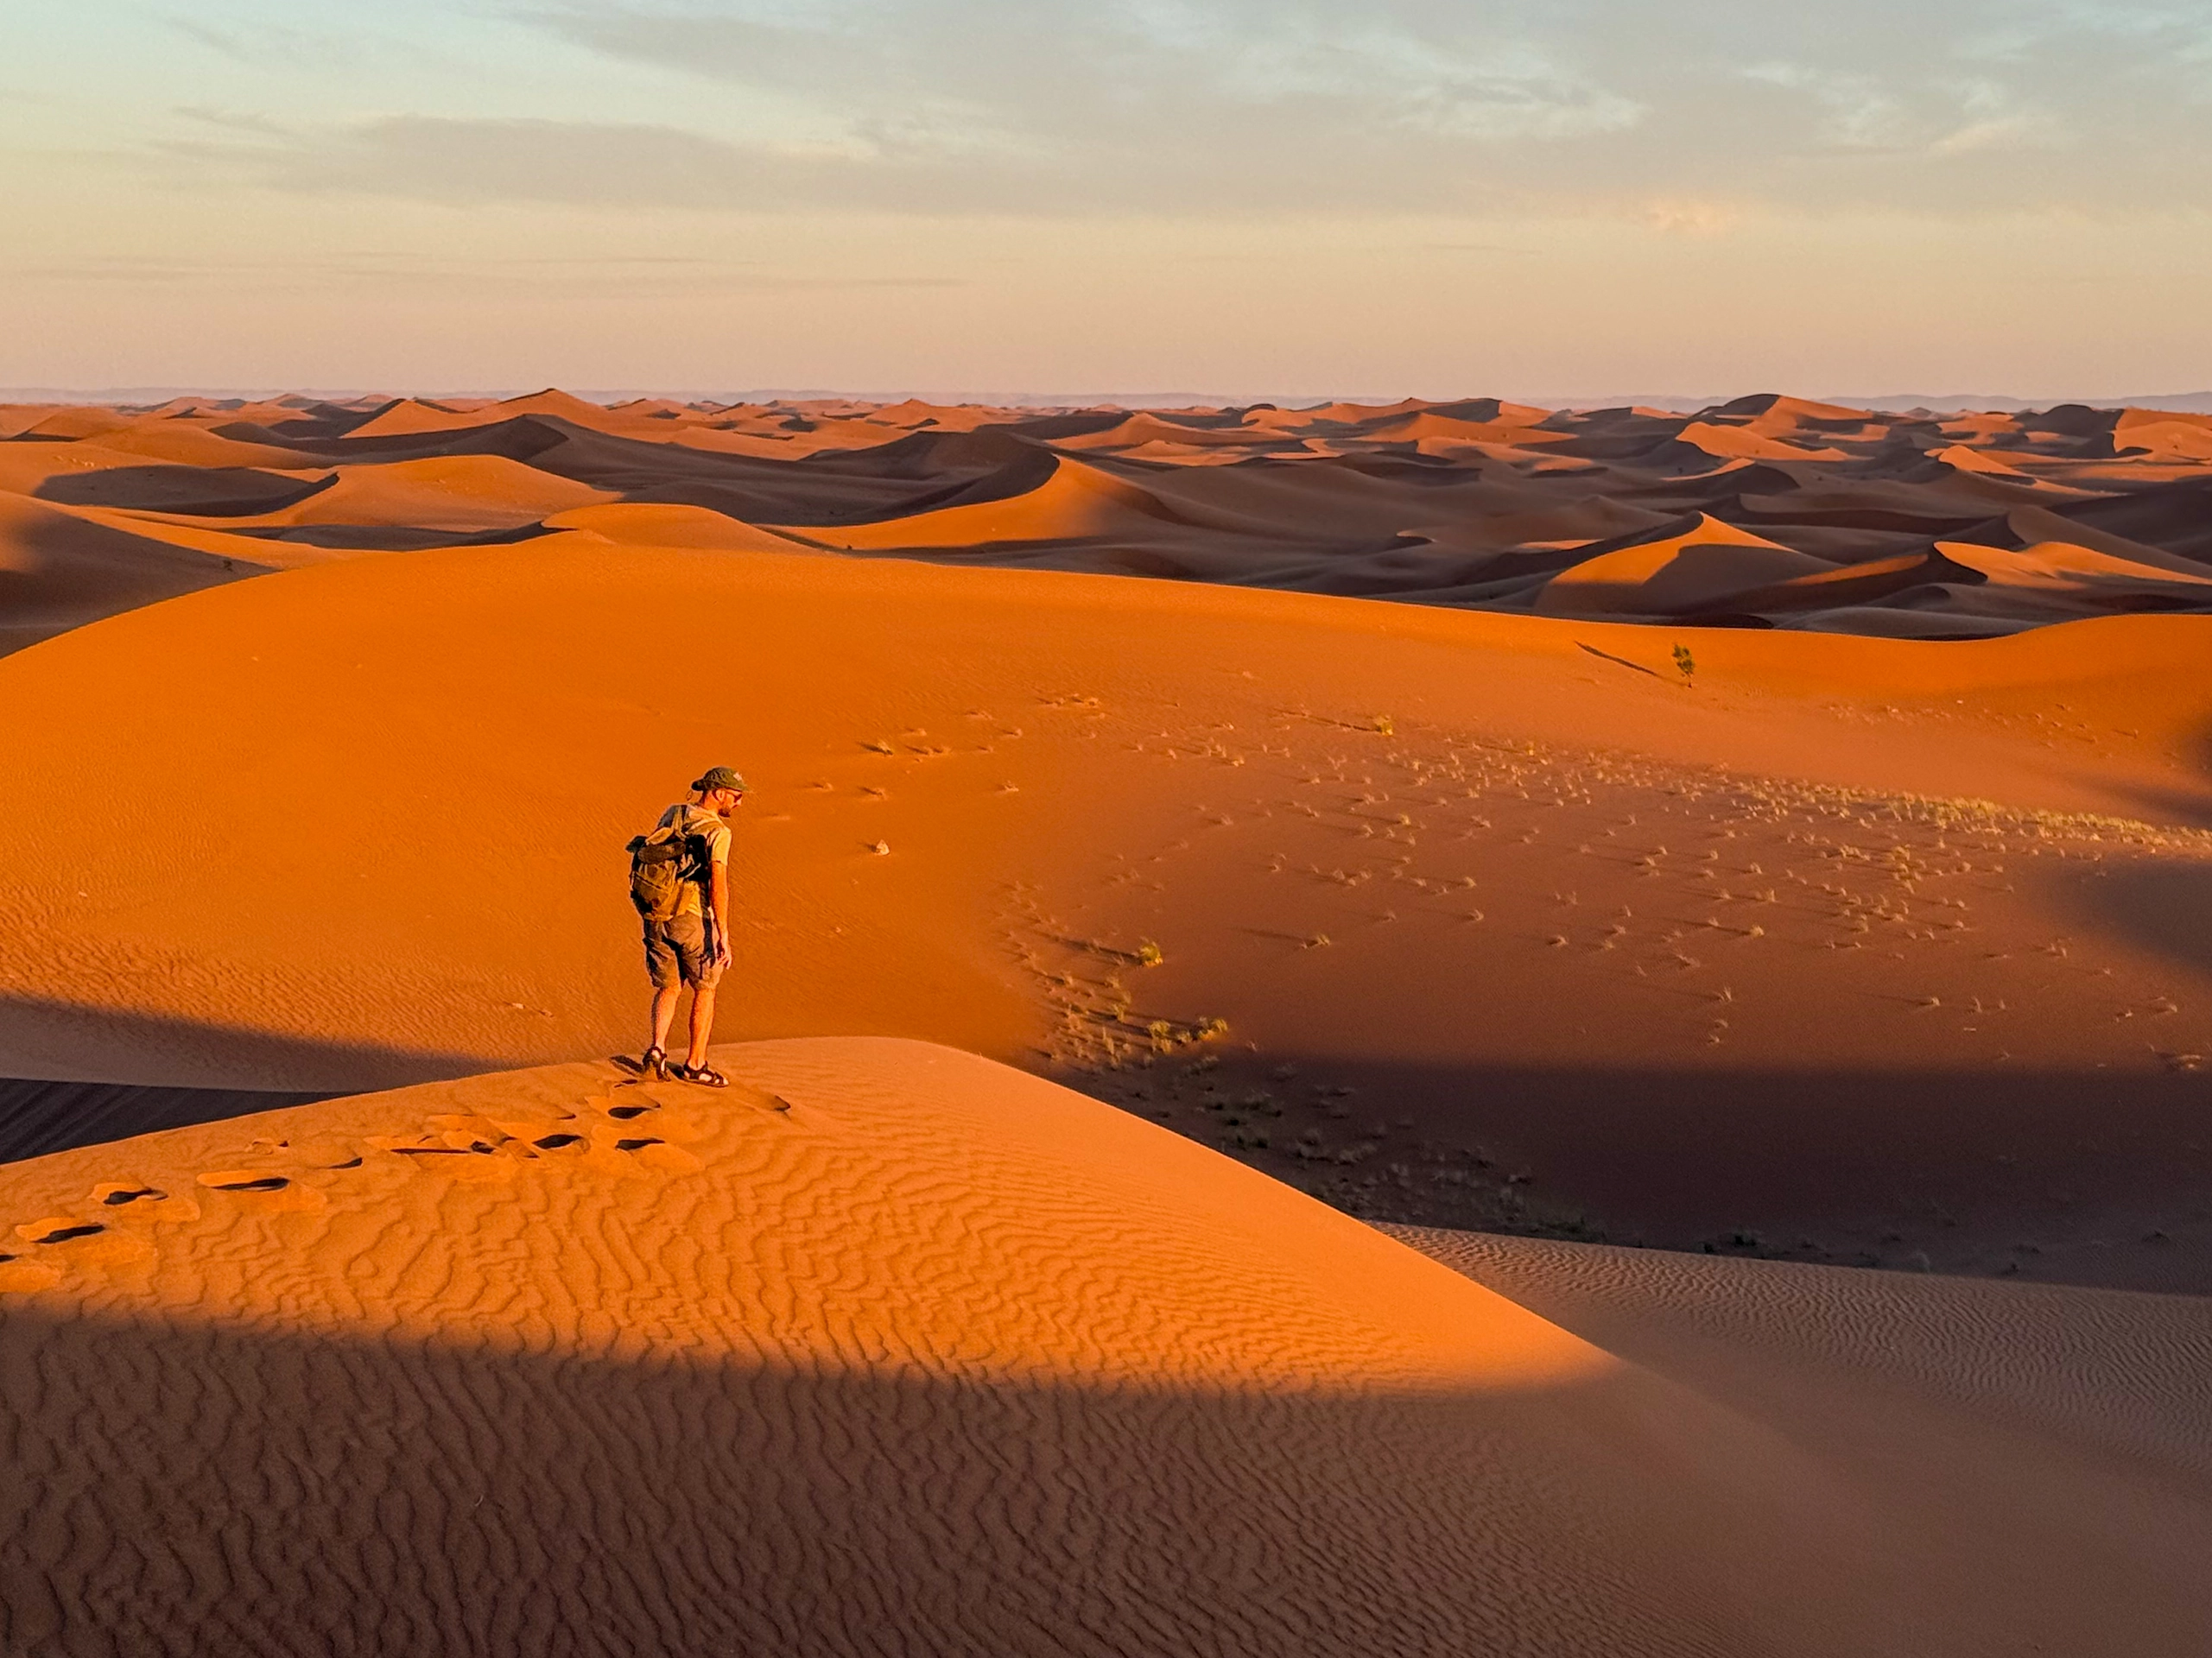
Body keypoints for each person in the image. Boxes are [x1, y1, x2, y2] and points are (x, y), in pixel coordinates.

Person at [637, 766, 746, 1085]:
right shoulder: (718, 832)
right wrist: (723, 933)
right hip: (692, 918)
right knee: (705, 988)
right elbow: (718, 884)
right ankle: (695, 1064)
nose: (738, 803)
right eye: (736, 796)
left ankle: (657, 1051)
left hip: (656, 915)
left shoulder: (673, 814)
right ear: (719, 793)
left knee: (669, 987)